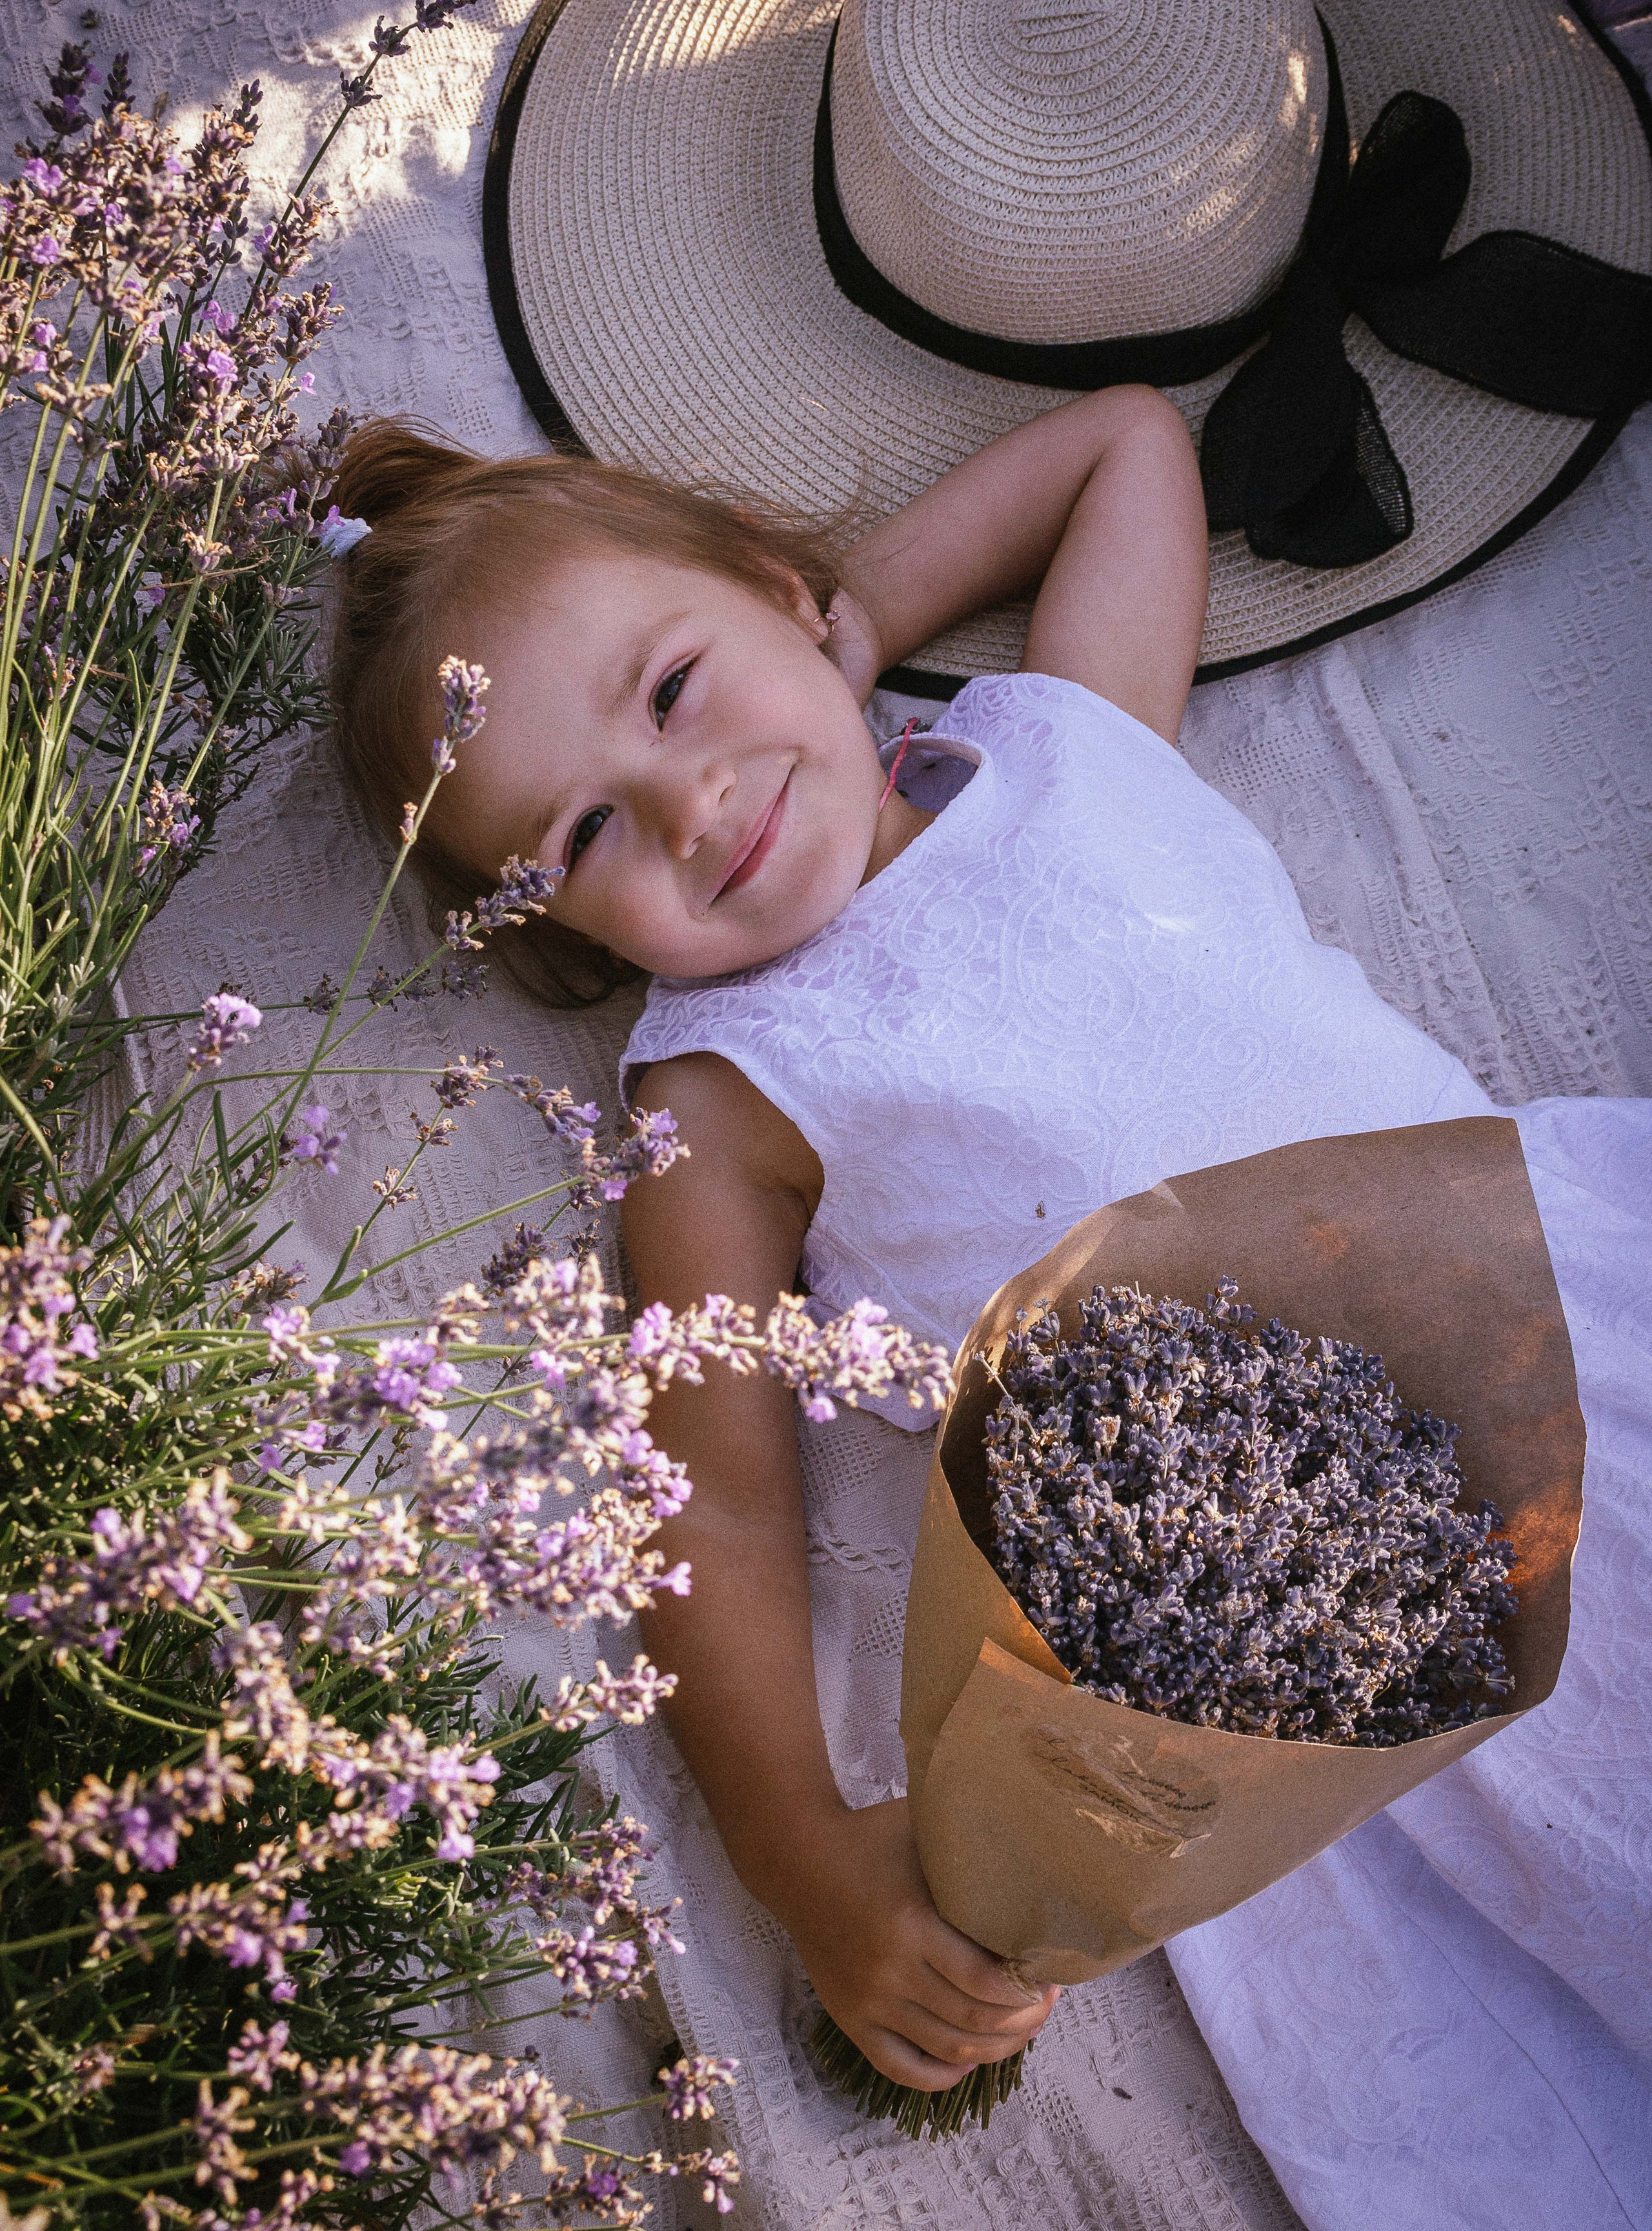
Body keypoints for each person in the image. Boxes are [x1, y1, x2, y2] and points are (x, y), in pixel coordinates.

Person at [325, 393, 1651, 2220]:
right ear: (557, 929)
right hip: (1279, 1605)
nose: (694, 805)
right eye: (589, 833)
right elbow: (712, 1508)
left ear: (777, 584)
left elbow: (1124, 448)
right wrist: (801, 1856)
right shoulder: (721, 1099)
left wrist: (855, 618)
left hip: (1541, 1295)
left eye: (676, 689)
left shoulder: (1063, 738)